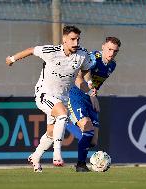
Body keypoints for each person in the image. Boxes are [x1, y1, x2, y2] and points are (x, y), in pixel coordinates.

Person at [6, 25, 93, 172]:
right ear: (64, 39)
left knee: (52, 132)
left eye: (78, 39)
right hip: (44, 94)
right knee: (63, 114)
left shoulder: (82, 55)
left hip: (62, 97)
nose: (75, 43)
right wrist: (12, 58)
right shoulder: (51, 51)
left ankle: (35, 156)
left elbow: (85, 73)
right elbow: (31, 50)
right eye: (72, 39)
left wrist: (89, 88)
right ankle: (57, 154)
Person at [67, 36, 121, 172]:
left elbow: (96, 83)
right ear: (103, 47)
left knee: (92, 141)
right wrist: (91, 94)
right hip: (76, 95)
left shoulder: (112, 66)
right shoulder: (92, 58)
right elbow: (79, 77)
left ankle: (68, 123)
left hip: (90, 98)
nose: (111, 53)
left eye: (115, 51)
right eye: (109, 49)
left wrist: (93, 95)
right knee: (87, 129)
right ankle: (80, 165)